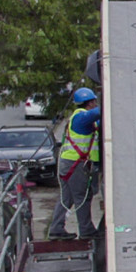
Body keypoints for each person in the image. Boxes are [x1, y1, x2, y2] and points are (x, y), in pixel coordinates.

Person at [47, 87, 103, 239]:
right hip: (75, 164)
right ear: (90, 103)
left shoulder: (82, 118)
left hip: (69, 163)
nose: (96, 104)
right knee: (82, 197)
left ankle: (56, 229)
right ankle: (87, 230)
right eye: (94, 101)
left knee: (67, 198)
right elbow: (99, 112)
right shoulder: (81, 117)